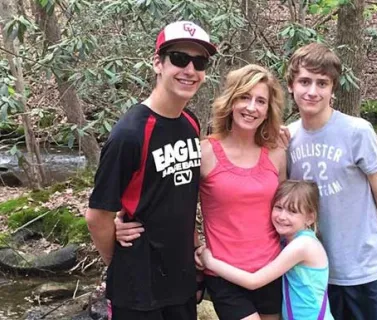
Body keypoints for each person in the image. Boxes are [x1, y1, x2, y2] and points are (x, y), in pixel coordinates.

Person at [116, 64, 287, 320]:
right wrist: (119, 219)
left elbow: (286, 208)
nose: (251, 107)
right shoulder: (204, 152)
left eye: (260, 101)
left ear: (267, 110)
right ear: (230, 102)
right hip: (224, 272)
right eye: (244, 97)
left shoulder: (277, 153)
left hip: (272, 269)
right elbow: (170, 197)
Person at [85, 20, 217, 320]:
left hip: (181, 280)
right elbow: (97, 215)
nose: (190, 70)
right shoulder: (129, 133)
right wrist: (120, 262)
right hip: (138, 290)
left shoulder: (190, 123)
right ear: (157, 62)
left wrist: (195, 247)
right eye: (180, 59)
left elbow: (179, 197)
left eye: (200, 62)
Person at [282, 43, 377, 320]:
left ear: (333, 89)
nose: (312, 91)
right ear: (291, 85)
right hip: (318, 273)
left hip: (369, 270)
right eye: (304, 81)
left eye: (322, 83)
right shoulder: (288, 139)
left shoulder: (357, 131)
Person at [198, 180, 334, 320]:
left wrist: (210, 262)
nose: (282, 216)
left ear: (310, 217)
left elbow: (253, 281)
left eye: (292, 211)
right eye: (279, 207)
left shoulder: (303, 245)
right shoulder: (289, 241)